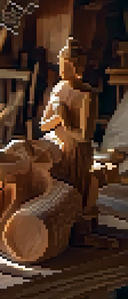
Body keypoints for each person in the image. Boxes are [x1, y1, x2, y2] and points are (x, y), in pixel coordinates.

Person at [40, 37, 98, 207]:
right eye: (61, 64)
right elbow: (43, 126)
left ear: (77, 67)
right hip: (57, 146)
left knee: (73, 195)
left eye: (67, 65)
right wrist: (57, 117)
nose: (62, 70)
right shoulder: (58, 88)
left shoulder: (87, 95)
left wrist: (66, 123)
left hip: (76, 153)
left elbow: (84, 137)